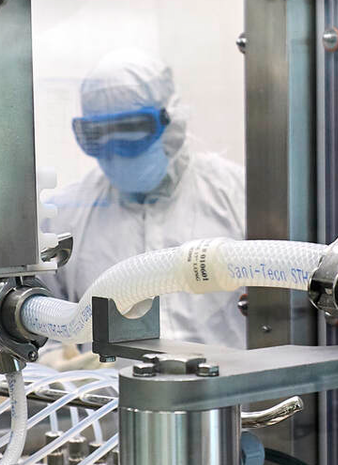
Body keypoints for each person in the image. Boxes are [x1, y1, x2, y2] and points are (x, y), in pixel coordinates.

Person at [40, 49, 248, 347]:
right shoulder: (66, 217)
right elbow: (43, 331)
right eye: (99, 135)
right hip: (109, 393)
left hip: (225, 390)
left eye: (131, 131)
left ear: (172, 123)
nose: (116, 151)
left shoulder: (236, 196)